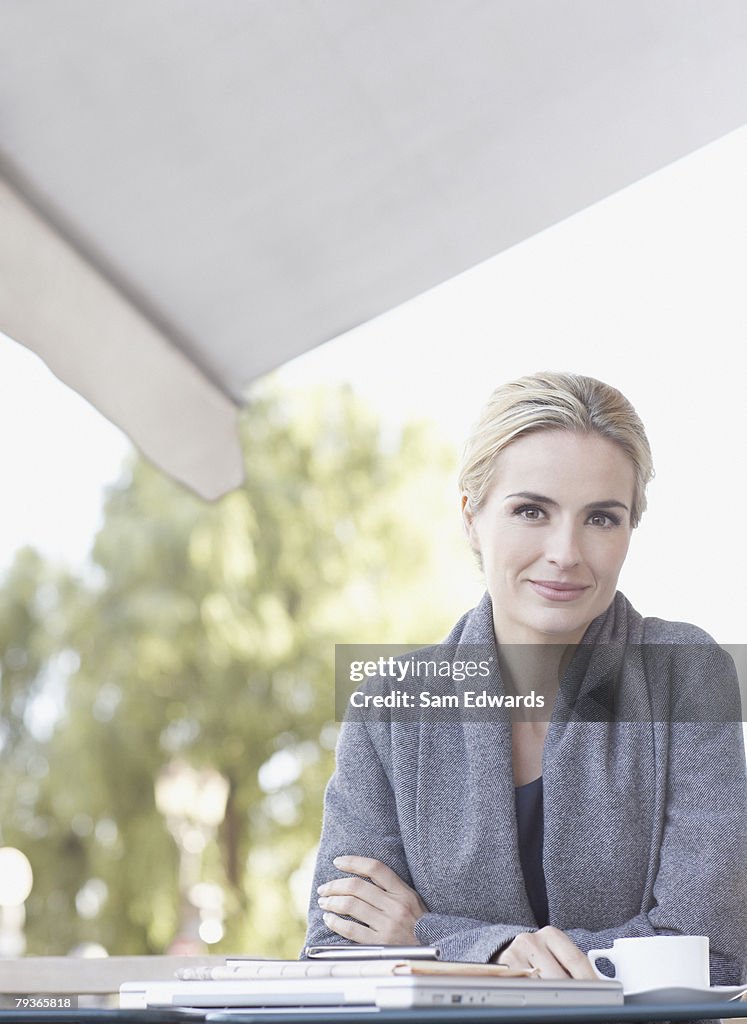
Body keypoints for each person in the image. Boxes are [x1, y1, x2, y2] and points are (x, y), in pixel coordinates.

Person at [303, 371, 747, 983]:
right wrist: (510, 955)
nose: (565, 551)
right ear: (470, 517)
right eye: (531, 511)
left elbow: (710, 955)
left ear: (629, 531)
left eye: (601, 518)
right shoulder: (393, 703)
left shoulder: (686, 674)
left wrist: (438, 936)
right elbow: (335, 945)